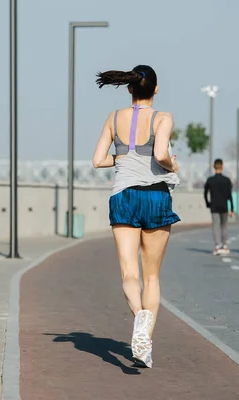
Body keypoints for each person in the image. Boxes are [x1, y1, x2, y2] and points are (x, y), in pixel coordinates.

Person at [92, 65, 180, 368]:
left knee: (130, 275)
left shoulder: (114, 118)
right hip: (156, 195)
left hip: (123, 196)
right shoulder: (163, 118)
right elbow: (159, 155)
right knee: (152, 275)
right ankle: (145, 340)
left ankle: (140, 317)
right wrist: (174, 165)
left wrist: (122, 156)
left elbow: (97, 160)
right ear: (154, 90)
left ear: (129, 88)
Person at [204, 158, 234, 255]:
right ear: (222, 166)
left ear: (214, 167)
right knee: (224, 226)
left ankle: (217, 246)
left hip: (214, 206)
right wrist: (232, 208)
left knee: (216, 226)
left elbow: (205, 193)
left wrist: (208, 203)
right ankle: (225, 246)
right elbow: (230, 195)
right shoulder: (227, 180)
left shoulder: (210, 180)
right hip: (224, 206)